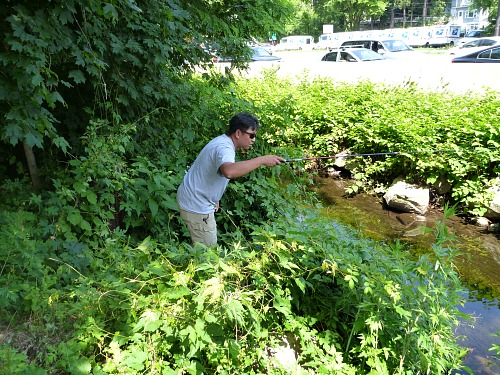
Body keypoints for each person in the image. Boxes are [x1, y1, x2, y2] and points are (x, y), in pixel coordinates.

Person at [176, 113, 285, 247]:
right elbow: (229, 171)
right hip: (196, 205)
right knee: (207, 250)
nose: (253, 139)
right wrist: (262, 160)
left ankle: (188, 263)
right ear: (238, 133)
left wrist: (214, 197)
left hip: (193, 199)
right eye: (251, 135)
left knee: (199, 242)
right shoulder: (224, 148)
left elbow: (206, 169)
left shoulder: (222, 142)